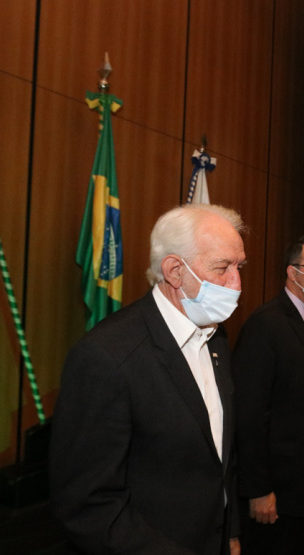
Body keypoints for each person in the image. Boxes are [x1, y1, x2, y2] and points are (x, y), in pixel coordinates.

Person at [50, 204, 246, 554]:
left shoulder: (216, 336)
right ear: (174, 270)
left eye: (239, 266)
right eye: (223, 268)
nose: (237, 283)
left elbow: (219, 456)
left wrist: (229, 533)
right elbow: (87, 504)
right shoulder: (106, 357)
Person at [232, 235, 304, 555]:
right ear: (293, 273)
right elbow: (250, 415)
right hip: (278, 493)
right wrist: (259, 490)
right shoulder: (265, 325)